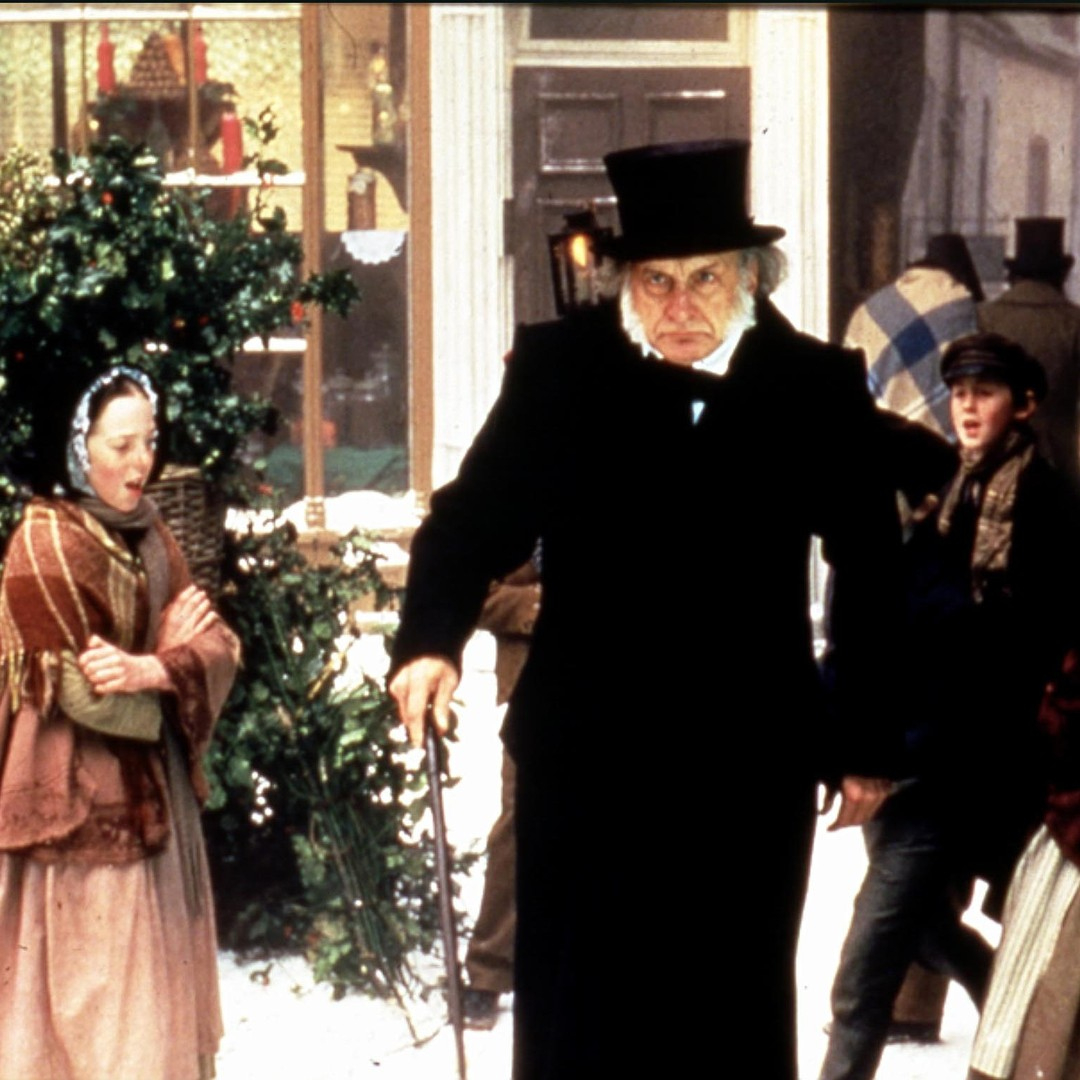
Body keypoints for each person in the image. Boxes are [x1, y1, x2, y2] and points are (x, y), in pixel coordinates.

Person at [388, 138, 905, 1079]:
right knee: (580, 1024)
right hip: (586, 764)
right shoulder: (560, 371)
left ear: (750, 276)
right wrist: (430, 641)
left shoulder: (814, 386)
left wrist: (863, 737)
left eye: (705, 278)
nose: (680, 305)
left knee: (726, 1024)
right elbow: (471, 518)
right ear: (624, 281)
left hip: (745, 771)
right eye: (656, 279)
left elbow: (872, 565)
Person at [0, 366, 241, 1080]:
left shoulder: (152, 533)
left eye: (150, 442)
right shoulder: (43, 546)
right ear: (78, 448)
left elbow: (221, 646)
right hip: (76, 825)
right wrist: (166, 668)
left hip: (158, 814)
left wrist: (155, 668)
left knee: (150, 1021)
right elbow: (86, 699)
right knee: (96, 1023)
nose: (142, 464)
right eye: (121, 446)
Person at [837, 231, 985, 1047]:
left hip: (878, 522)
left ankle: (905, 999)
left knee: (902, 868)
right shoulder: (972, 318)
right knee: (921, 874)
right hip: (938, 506)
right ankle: (925, 999)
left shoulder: (871, 313)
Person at [461, 555, 541, 1030]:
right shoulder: (516, 523)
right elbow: (474, 592)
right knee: (519, 822)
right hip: (538, 691)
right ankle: (489, 970)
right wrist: (538, 604)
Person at [845, 231, 984, 439]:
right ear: (962, 274)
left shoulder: (869, 312)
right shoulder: (965, 310)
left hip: (879, 441)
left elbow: (850, 390)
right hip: (945, 445)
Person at [977, 217, 1080, 491]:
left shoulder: (984, 317)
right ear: (1061, 274)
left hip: (995, 455)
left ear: (1014, 274)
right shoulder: (1074, 322)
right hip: (1060, 462)